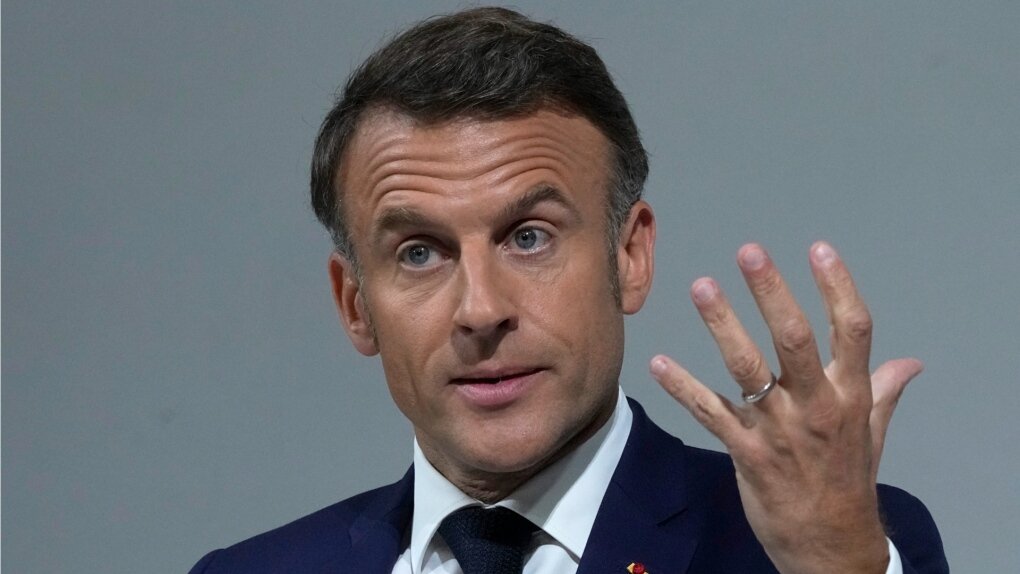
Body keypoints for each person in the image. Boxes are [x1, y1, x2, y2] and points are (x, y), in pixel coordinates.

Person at [190, 7, 947, 573]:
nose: (481, 310)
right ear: (356, 305)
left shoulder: (833, 545)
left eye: (529, 237)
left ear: (630, 256)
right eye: (419, 252)